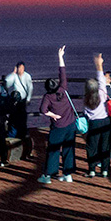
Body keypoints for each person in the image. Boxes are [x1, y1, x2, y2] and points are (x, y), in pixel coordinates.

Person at [37, 45, 76, 184]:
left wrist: (52, 115)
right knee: (68, 149)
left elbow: (42, 110)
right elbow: (62, 73)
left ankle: (48, 176)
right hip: (71, 124)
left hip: (58, 126)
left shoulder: (48, 97)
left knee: (53, 150)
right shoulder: (63, 89)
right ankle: (68, 174)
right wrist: (60, 57)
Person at [84, 53, 111, 177]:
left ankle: (92, 170)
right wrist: (99, 64)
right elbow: (101, 79)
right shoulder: (102, 92)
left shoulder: (86, 99)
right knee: (105, 146)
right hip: (105, 121)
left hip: (93, 123)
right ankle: (105, 169)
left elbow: (85, 114)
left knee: (92, 147)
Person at [3, 60, 33, 159]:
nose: (21, 70)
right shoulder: (15, 76)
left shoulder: (27, 76)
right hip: (15, 100)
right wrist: (13, 72)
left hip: (23, 101)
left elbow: (30, 87)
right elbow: (7, 82)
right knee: (14, 120)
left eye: (22, 68)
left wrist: (28, 99)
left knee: (21, 122)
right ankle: (15, 141)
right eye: (19, 68)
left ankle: (20, 141)